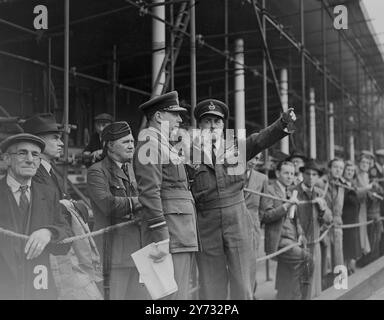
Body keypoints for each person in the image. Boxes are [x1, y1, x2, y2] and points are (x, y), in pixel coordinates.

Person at [188, 98, 297, 300]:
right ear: (199, 125)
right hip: (206, 226)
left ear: (222, 125)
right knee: (211, 287)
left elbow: (260, 139)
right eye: (207, 121)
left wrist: (282, 123)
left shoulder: (236, 149)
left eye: (217, 121)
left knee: (243, 283)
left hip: (238, 221)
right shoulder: (188, 154)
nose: (212, 125)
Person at [23, 113, 103, 299]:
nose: (61, 143)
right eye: (55, 138)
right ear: (38, 142)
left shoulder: (48, 171)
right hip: (48, 257)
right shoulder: (34, 174)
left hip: (60, 249)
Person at [133, 91, 199, 300]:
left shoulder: (163, 145)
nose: (180, 119)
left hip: (180, 231)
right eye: (175, 114)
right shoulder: (150, 144)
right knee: (171, 296)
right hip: (170, 233)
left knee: (179, 293)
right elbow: (150, 192)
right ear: (159, 116)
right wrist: (161, 237)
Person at [0, 133, 72, 299]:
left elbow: (66, 236)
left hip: (39, 288)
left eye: (35, 154)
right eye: (22, 153)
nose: (30, 159)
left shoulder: (49, 193)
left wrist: (48, 232)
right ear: (7, 159)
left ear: (40, 161)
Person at [87, 121, 147, 300]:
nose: (131, 146)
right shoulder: (97, 172)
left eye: (132, 141)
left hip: (139, 253)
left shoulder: (134, 170)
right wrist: (142, 202)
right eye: (125, 142)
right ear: (109, 146)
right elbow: (108, 204)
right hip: (114, 255)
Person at [261, 160, 312, 300]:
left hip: (292, 238)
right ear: (277, 173)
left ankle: (284, 296)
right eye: (286, 173)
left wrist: (301, 234)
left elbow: (295, 218)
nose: (290, 176)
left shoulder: (290, 191)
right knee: (306, 259)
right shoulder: (270, 189)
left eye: (292, 173)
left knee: (291, 266)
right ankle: (298, 297)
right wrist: (285, 206)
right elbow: (265, 216)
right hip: (279, 240)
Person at [295, 159, 332, 299]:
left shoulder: (320, 193)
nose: (311, 177)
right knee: (300, 283)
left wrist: (323, 209)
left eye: (314, 174)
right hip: (298, 243)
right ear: (303, 174)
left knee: (314, 284)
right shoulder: (293, 192)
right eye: (308, 173)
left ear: (317, 177)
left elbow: (329, 220)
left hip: (315, 241)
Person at [244, 154, 268, 298]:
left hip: (253, 224)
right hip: (233, 223)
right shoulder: (230, 173)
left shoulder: (262, 178)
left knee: (252, 261)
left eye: (257, 158)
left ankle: (250, 293)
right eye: (250, 157)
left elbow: (263, 207)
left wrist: (255, 220)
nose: (253, 162)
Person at [342, 161, 362, 274]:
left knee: (352, 245)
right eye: (348, 170)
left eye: (352, 170)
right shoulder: (341, 185)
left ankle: (350, 267)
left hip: (354, 219)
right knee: (346, 245)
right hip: (345, 220)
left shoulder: (352, 185)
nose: (350, 172)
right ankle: (345, 268)